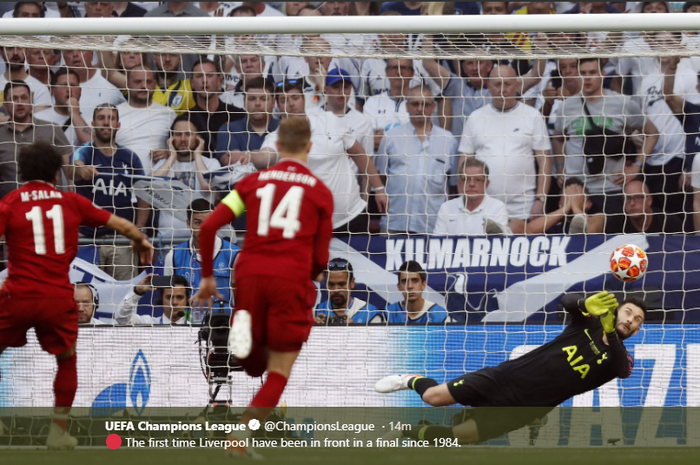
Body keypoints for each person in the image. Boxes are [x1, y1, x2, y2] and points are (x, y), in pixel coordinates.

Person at [190, 116, 334, 459]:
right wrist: (310, 275)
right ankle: (241, 435)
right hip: (290, 279)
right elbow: (321, 257)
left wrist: (208, 276)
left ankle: (243, 331)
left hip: (249, 274)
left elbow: (209, 226)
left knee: (252, 363)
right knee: (277, 370)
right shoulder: (320, 192)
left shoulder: (251, 184)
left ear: (277, 147)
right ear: (309, 147)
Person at [0, 140, 152, 449]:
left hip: (18, 295)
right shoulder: (71, 202)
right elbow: (118, 222)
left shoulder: (10, 202)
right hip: (58, 296)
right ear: (57, 174)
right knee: (66, 359)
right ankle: (58, 431)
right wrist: (141, 240)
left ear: (22, 172)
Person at [375, 291, 646, 444]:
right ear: (617, 311)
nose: (631, 320)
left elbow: (621, 369)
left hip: (523, 409)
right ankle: (409, 379)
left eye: (638, 320)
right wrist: (582, 304)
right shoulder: (587, 324)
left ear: (636, 330)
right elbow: (564, 301)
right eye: (628, 312)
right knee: (432, 398)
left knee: (456, 439)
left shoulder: (621, 358)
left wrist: (611, 336)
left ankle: (405, 431)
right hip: (504, 378)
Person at [253, 79, 388, 234]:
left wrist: (379, 189)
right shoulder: (275, 137)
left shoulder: (329, 120)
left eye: (295, 98)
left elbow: (360, 155)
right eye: (284, 100)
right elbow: (264, 157)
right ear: (277, 106)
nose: (291, 104)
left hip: (352, 217)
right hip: (310, 224)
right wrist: (250, 156)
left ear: (304, 100)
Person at [552, 58, 658, 223]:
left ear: (602, 75)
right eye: (583, 73)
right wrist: (560, 168)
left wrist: (637, 166)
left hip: (612, 189)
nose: (587, 78)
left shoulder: (622, 103)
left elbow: (652, 133)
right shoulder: (566, 107)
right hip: (578, 190)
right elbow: (557, 138)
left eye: (592, 73)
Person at [459, 65, 552, 234]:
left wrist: (541, 199)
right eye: (497, 84)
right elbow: (464, 163)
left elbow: (544, 160)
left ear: (516, 85)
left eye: (507, 84)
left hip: (523, 209)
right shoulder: (475, 118)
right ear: (488, 86)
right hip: (483, 209)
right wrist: (465, 202)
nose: (502, 89)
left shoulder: (532, 116)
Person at [73, 104, 150, 280]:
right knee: (85, 294)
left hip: (122, 240)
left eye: (111, 118)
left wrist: (138, 228)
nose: (106, 122)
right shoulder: (84, 151)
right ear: (93, 123)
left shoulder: (130, 157)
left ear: (118, 124)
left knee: (123, 295)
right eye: (101, 118)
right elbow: (75, 166)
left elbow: (144, 193)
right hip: (87, 239)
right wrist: (82, 170)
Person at [376, 86, 457, 234]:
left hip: (433, 227)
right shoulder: (391, 138)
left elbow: (453, 185)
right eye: (415, 104)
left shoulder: (448, 140)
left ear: (433, 107)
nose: (420, 108)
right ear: (407, 106)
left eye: (425, 104)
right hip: (395, 223)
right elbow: (381, 177)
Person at [152, 115, 221, 242]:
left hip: (203, 238)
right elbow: (150, 185)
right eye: (178, 134)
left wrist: (197, 155)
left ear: (198, 137)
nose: (183, 139)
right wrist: (172, 157)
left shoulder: (212, 163)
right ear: (171, 138)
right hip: (168, 239)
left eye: (188, 134)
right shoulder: (163, 166)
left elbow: (207, 185)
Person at [0, 82, 72, 200]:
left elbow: (70, 172)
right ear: (6, 105)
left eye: (24, 98)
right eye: (14, 99)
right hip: (12, 212)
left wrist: (71, 202)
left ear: (31, 102)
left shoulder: (52, 129)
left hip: (51, 208)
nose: (20, 103)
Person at [163, 199, 239, 307]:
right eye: (198, 223)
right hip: (187, 321)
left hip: (223, 322)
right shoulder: (173, 256)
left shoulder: (234, 254)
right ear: (188, 223)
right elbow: (168, 298)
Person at [115, 67, 177, 174]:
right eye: (138, 82)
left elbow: (183, 148)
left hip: (158, 182)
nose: (143, 86)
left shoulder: (169, 114)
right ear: (128, 84)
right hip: (121, 180)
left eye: (148, 82)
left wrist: (169, 153)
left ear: (154, 84)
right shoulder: (114, 113)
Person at [433, 157, 509, 236]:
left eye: (478, 179)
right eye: (466, 179)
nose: (471, 184)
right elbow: (436, 244)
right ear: (459, 183)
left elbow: (499, 244)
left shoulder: (497, 208)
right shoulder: (446, 208)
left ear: (486, 184)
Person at [217, 77, 278, 166]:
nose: (257, 103)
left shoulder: (284, 128)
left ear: (273, 103)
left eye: (263, 99)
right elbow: (232, 161)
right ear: (244, 101)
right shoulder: (229, 130)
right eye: (252, 99)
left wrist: (246, 155)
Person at [188, 58, 244, 155]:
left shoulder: (238, 115)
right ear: (192, 83)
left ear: (219, 81)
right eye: (199, 76)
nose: (204, 81)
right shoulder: (186, 120)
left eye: (209, 75)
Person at [315, 258, 384, 325]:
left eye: (341, 284)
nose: (336, 290)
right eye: (331, 284)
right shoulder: (315, 312)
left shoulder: (370, 314)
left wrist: (353, 332)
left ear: (352, 283)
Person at [525, 177, 605, 235]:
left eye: (576, 196)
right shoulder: (553, 223)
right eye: (567, 197)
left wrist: (576, 208)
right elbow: (528, 230)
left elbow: (591, 231)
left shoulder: (598, 218)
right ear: (560, 204)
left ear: (588, 204)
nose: (572, 199)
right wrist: (565, 209)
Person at [35, 67, 92, 148]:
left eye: (73, 86)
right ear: (53, 91)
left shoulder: (89, 121)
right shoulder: (38, 119)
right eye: (64, 85)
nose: (69, 90)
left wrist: (74, 114)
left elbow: (92, 147)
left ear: (80, 91)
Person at [61, 48, 126, 118]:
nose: (75, 55)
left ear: (91, 54)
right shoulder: (59, 87)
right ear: (64, 58)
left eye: (81, 50)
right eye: (70, 51)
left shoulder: (110, 79)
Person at [607, 179, 684, 234]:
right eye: (627, 199)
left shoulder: (668, 221)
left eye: (638, 198)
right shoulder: (616, 224)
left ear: (649, 200)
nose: (632, 203)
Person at [116, 274, 192, 325]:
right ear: (161, 300)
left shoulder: (195, 330)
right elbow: (121, 319)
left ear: (187, 301)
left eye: (180, 297)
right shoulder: (148, 324)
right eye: (169, 297)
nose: (175, 302)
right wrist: (137, 292)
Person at [0, 46, 51, 111]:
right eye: (10, 48)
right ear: (1, 52)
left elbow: (40, 120)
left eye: (19, 48)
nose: (15, 53)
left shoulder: (40, 89)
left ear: (26, 51)